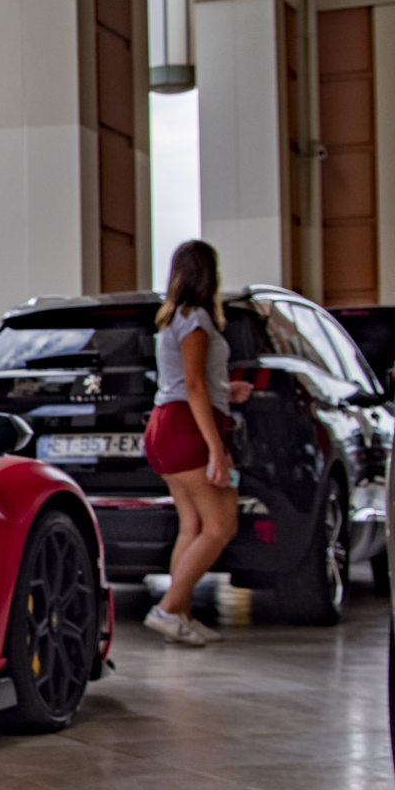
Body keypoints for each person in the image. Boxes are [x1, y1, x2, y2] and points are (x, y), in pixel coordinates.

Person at [144, 240, 252, 645]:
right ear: (209, 273)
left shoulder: (174, 317)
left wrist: (227, 387)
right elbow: (191, 385)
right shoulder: (197, 319)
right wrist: (216, 449)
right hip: (184, 427)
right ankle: (168, 609)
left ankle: (180, 615)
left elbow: (192, 380)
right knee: (222, 524)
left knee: (192, 524)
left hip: (166, 425)